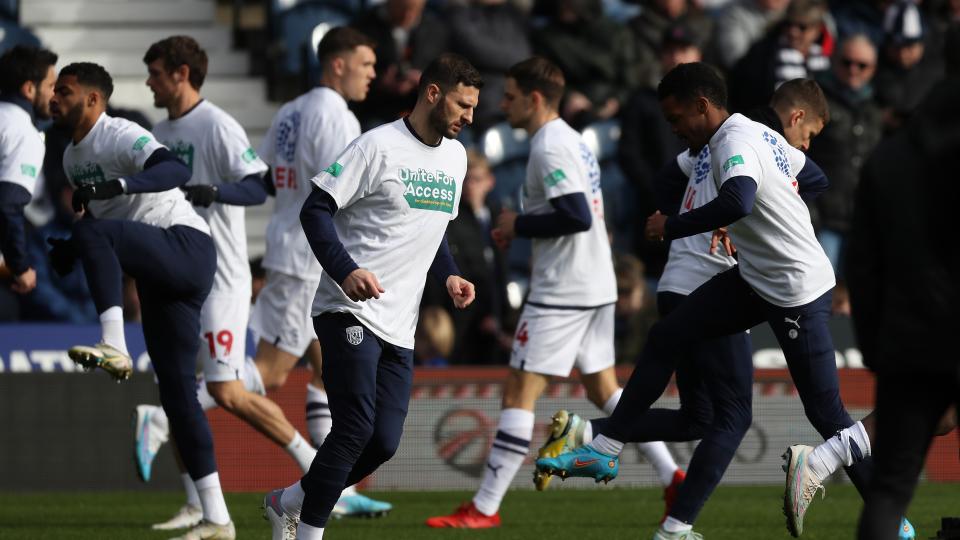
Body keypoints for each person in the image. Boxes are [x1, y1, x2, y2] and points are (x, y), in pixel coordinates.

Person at [532, 62, 883, 539]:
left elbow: (739, 201)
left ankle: (889, 521)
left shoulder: (737, 141)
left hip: (798, 289)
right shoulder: (751, 136)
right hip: (756, 279)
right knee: (668, 337)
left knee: (825, 415)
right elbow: (798, 178)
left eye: (676, 119)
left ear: (702, 106)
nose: (673, 130)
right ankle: (607, 445)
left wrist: (674, 225)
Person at [425, 56, 682, 530]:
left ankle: (483, 508)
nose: (502, 106)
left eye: (510, 97)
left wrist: (517, 223)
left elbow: (577, 214)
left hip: (563, 289)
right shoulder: (573, 142)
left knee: (519, 390)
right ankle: (673, 475)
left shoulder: (550, 145)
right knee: (605, 389)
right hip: (594, 282)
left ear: (535, 98)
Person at [263, 52, 480, 540]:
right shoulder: (376, 146)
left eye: (473, 108)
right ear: (432, 94)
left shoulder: (456, 156)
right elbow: (315, 210)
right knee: (355, 428)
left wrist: (448, 274)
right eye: (463, 106)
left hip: (399, 323)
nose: (470, 118)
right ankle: (306, 533)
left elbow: (433, 225)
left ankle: (291, 500)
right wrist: (346, 270)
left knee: (383, 442)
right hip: (348, 310)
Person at [126, 35, 318, 532]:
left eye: (155, 72)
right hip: (176, 273)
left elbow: (259, 183)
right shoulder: (161, 130)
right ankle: (197, 504)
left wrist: (215, 191)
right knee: (177, 388)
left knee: (227, 390)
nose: (149, 81)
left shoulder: (216, 125)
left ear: (181, 74)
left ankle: (315, 469)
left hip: (222, 281)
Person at [49, 61, 233, 539]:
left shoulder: (118, 133)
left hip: (186, 245)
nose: (54, 99)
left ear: (93, 99)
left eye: (64, 92)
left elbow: (176, 168)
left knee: (96, 231)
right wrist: (70, 251)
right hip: (160, 271)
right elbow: (107, 216)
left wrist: (119, 185)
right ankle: (217, 518)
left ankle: (114, 342)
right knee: (177, 398)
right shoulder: (71, 158)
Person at [252, 26, 391, 517]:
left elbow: (269, 175)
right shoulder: (335, 116)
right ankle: (166, 415)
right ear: (338, 63)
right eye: (366, 64)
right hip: (311, 254)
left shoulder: (291, 110)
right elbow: (345, 193)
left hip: (289, 244)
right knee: (265, 373)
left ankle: (340, 492)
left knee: (321, 371)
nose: (373, 74)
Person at [852, 69, 960, 540]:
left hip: (909, 340)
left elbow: (862, 264)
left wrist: (877, 350)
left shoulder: (890, 156)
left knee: (890, 490)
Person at [0, 45, 57, 296]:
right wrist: (20, 267)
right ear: (29, 88)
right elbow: (8, 205)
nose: (56, 94)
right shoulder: (24, 134)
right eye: (51, 85)